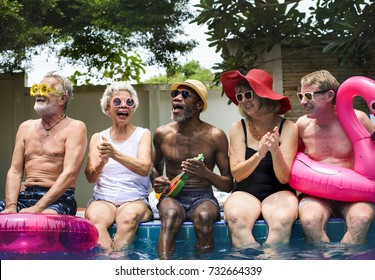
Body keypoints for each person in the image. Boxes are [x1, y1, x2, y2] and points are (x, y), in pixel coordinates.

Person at [152, 79, 233, 259]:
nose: (177, 98)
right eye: (175, 94)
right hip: (172, 196)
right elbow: (154, 168)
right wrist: (156, 181)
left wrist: (205, 173)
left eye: (185, 95)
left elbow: (228, 184)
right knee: (171, 215)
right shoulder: (162, 134)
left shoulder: (215, 136)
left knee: (204, 217)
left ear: (198, 104)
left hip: (203, 196)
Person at [220, 69, 299, 248]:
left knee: (283, 221)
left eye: (248, 94)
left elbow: (284, 178)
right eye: (240, 97)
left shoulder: (289, 128)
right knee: (235, 219)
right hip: (245, 192)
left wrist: (275, 150)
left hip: (279, 191)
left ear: (263, 95)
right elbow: (238, 175)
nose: (244, 100)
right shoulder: (238, 127)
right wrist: (259, 154)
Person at [296, 70, 375, 244]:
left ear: (329, 95)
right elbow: (295, 159)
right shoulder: (302, 126)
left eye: (309, 95)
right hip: (318, 194)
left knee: (361, 219)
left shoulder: (357, 119)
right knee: (309, 221)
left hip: (356, 193)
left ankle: (346, 263)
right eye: (300, 95)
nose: (303, 102)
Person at [0, 71, 87, 215]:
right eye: (37, 89)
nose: (39, 93)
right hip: (25, 196)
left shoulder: (75, 127)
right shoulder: (25, 127)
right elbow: (15, 172)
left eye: (45, 89)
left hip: (59, 199)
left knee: (44, 220)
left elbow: (70, 173)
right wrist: (11, 206)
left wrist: (38, 208)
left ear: (62, 99)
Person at [85, 81, 153, 252]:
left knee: (128, 219)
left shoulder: (142, 134)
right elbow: (90, 177)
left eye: (129, 102)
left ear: (133, 108)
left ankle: (118, 259)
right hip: (103, 199)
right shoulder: (98, 137)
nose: (124, 105)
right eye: (117, 102)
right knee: (95, 219)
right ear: (108, 109)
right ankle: (109, 259)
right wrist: (102, 163)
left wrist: (115, 154)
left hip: (135, 198)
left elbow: (145, 168)